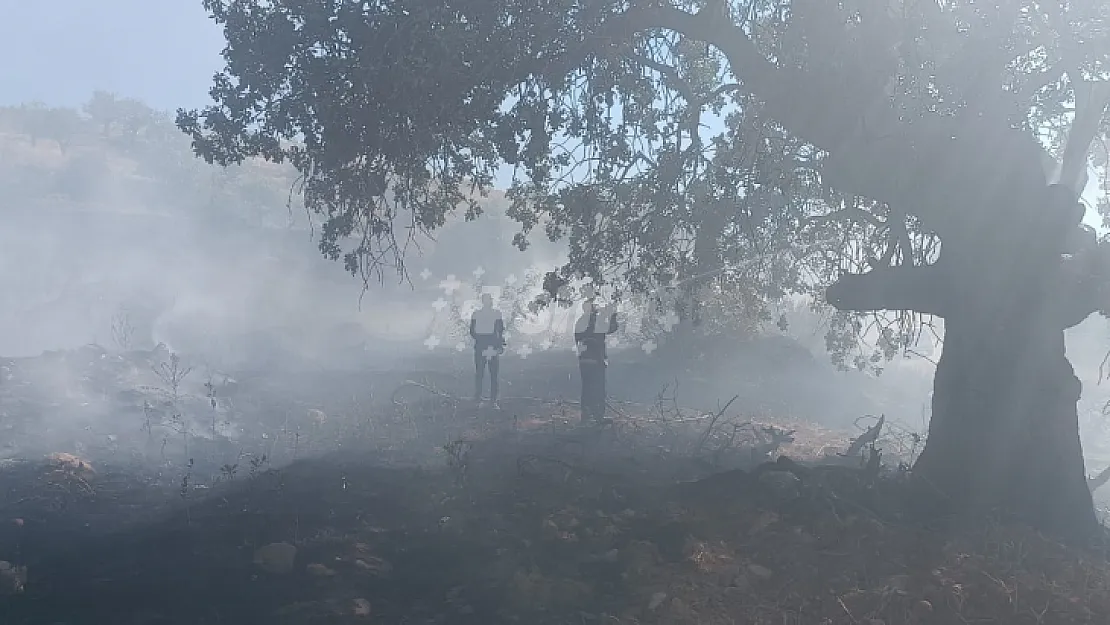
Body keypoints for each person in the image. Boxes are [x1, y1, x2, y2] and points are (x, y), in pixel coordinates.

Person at [574, 298, 618, 423]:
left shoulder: (580, 322)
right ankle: (598, 416)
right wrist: (612, 314)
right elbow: (611, 328)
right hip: (596, 361)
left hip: (584, 361)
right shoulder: (594, 321)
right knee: (598, 389)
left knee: (587, 389)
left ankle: (586, 416)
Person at [469, 293, 505, 407]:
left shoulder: (496, 313)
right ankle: (480, 398)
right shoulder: (477, 314)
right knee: (481, 373)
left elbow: (500, 330)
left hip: (489, 346)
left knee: (492, 373)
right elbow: (472, 331)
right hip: (484, 346)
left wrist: (499, 344)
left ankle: (492, 400)